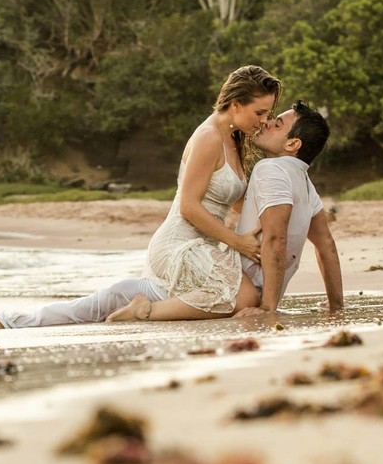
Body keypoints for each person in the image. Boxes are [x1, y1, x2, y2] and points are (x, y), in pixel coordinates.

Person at [0, 65, 279, 330]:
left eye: (269, 113)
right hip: (179, 244)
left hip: (204, 248)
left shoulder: (234, 138)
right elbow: (188, 207)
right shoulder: (209, 137)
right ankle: (142, 312)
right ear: (236, 104)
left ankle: (10, 320)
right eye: (260, 112)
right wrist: (237, 243)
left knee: (111, 297)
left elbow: (237, 200)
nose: (264, 120)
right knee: (244, 298)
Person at [109, 100, 343, 322]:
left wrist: (267, 308)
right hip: (238, 288)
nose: (267, 122)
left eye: (277, 124)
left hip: (229, 290)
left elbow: (275, 238)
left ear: (292, 144)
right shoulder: (304, 182)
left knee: (129, 296)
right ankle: (128, 303)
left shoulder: (270, 170)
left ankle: (145, 310)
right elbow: (326, 246)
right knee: (117, 297)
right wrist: (337, 307)